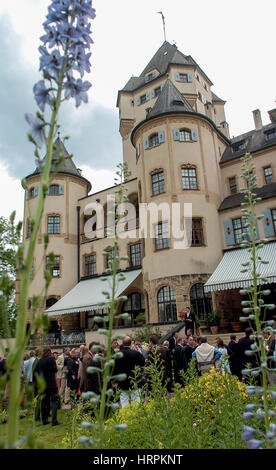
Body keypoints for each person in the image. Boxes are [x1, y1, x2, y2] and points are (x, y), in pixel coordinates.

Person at [113, 336, 145, 408]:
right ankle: (136, 418)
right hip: (134, 381)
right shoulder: (135, 353)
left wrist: (115, 381)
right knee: (136, 403)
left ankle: (126, 418)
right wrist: (140, 352)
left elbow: (114, 369)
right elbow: (143, 363)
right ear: (131, 344)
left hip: (122, 383)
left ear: (123, 344)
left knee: (124, 403)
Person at [36, 347, 61, 426]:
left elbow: (37, 371)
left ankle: (44, 419)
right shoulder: (51, 359)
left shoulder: (40, 360)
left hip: (43, 384)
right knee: (55, 401)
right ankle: (54, 420)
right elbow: (55, 370)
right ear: (49, 352)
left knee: (44, 402)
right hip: (51, 383)